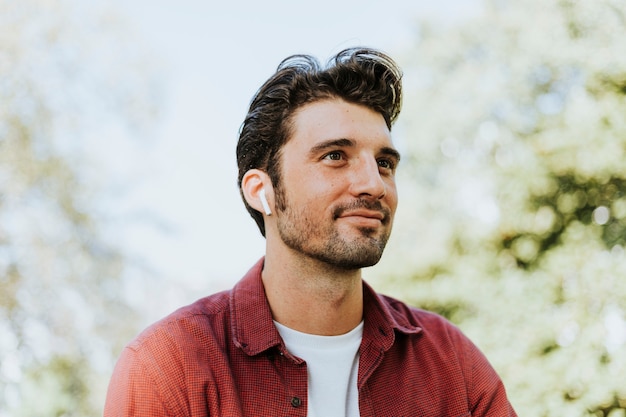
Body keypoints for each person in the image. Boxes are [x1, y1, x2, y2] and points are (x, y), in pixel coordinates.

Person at [104, 47, 517, 416]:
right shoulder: (169, 365)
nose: (374, 184)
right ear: (261, 191)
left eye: (385, 163)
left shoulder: (449, 361)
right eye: (336, 156)